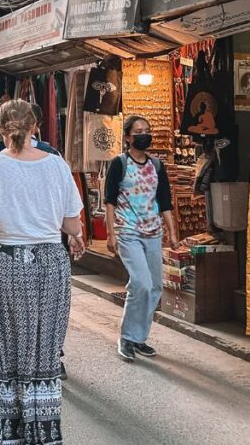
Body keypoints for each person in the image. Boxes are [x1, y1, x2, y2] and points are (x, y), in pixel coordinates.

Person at [0, 100, 85, 444]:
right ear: (36, 127)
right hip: (52, 262)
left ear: (1, 129)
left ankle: (14, 433)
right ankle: (45, 432)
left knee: (10, 348)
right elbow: (72, 224)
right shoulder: (57, 166)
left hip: (8, 263)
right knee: (45, 348)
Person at [104, 115, 178, 362]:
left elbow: (164, 201)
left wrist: (173, 232)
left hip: (153, 232)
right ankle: (126, 336)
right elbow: (110, 201)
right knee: (141, 284)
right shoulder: (119, 164)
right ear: (127, 137)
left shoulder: (156, 165)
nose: (144, 134)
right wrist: (111, 234)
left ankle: (138, 338)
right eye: (138, 131)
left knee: (155, 287)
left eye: (147, 130)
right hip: (128, 231)